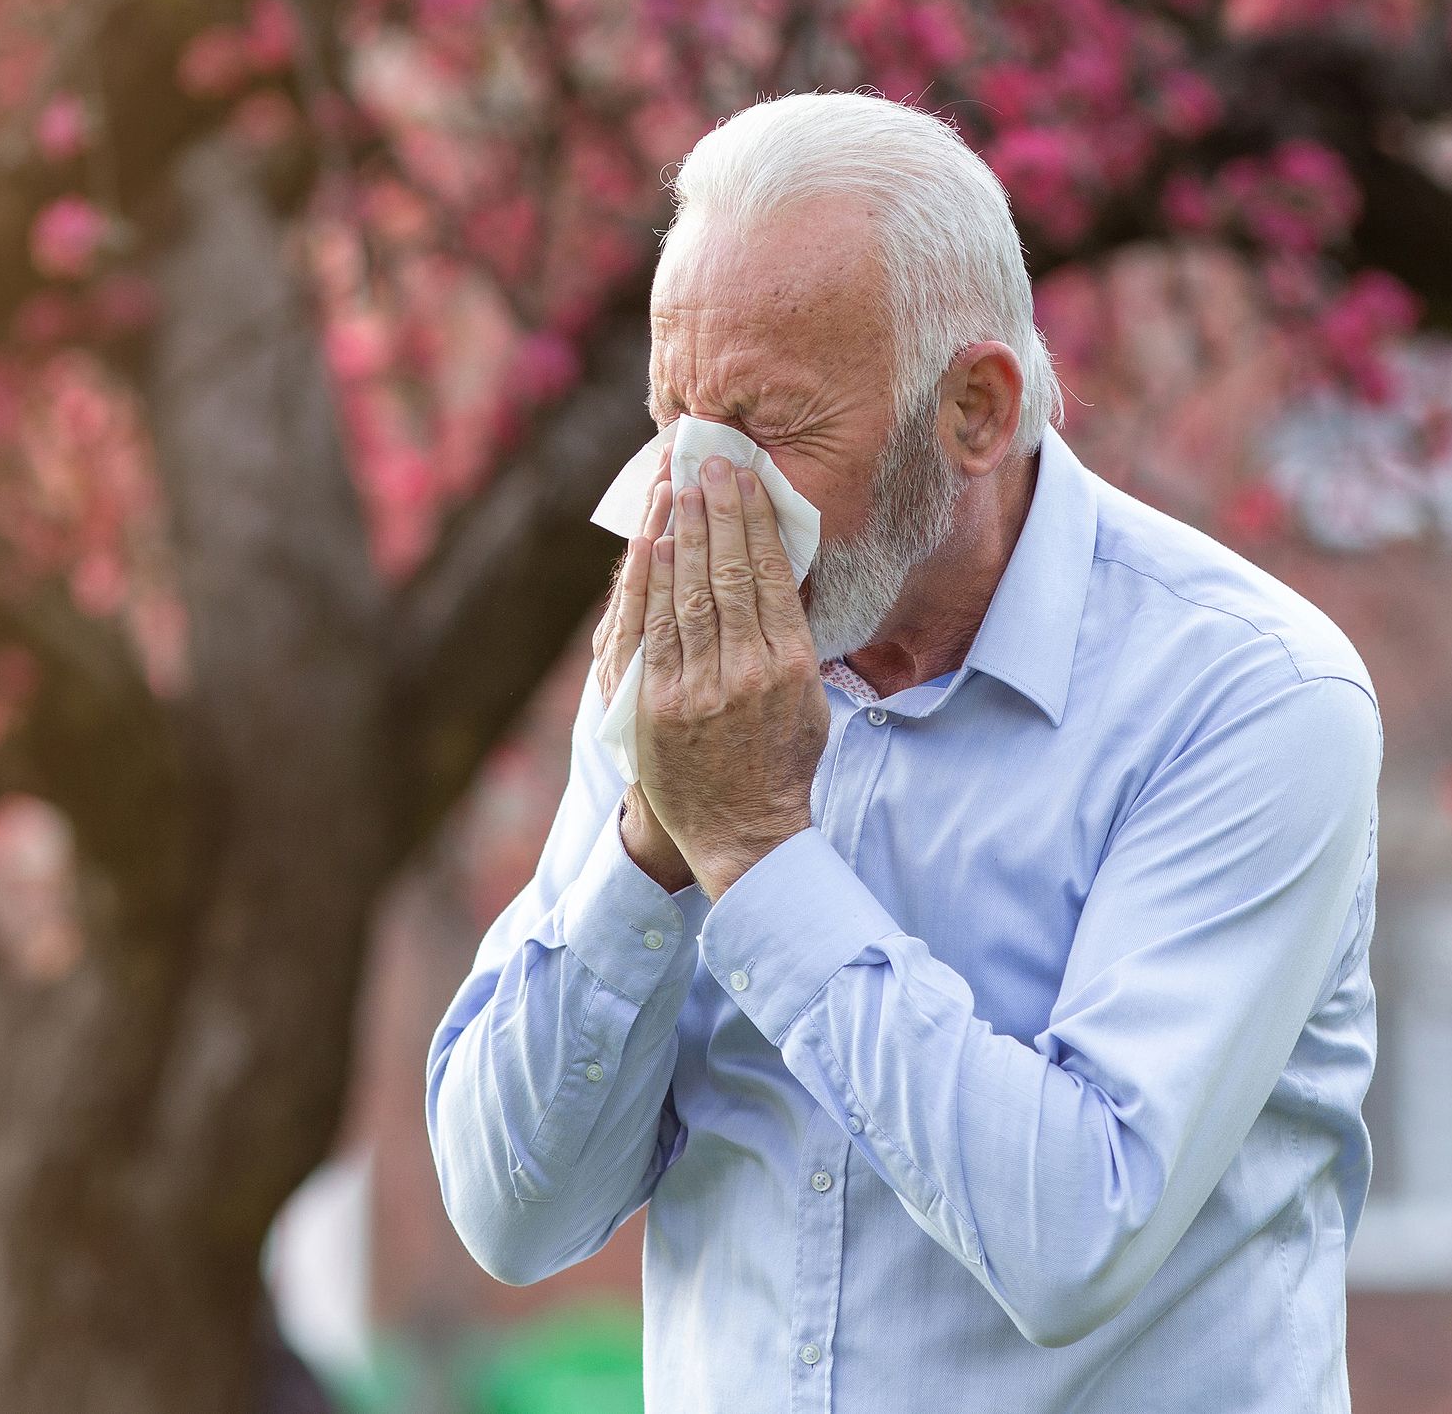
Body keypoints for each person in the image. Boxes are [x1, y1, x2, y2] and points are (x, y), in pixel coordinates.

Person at [426, 92, 1382, 1411]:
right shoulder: (695, 682)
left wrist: (757, 852)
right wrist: (655, 837)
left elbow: (1075, 1236)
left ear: (977, 409)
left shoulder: (1247, 696)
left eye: (766, 428)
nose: (700, 495)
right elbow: (512, 1211)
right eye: (673, 420)